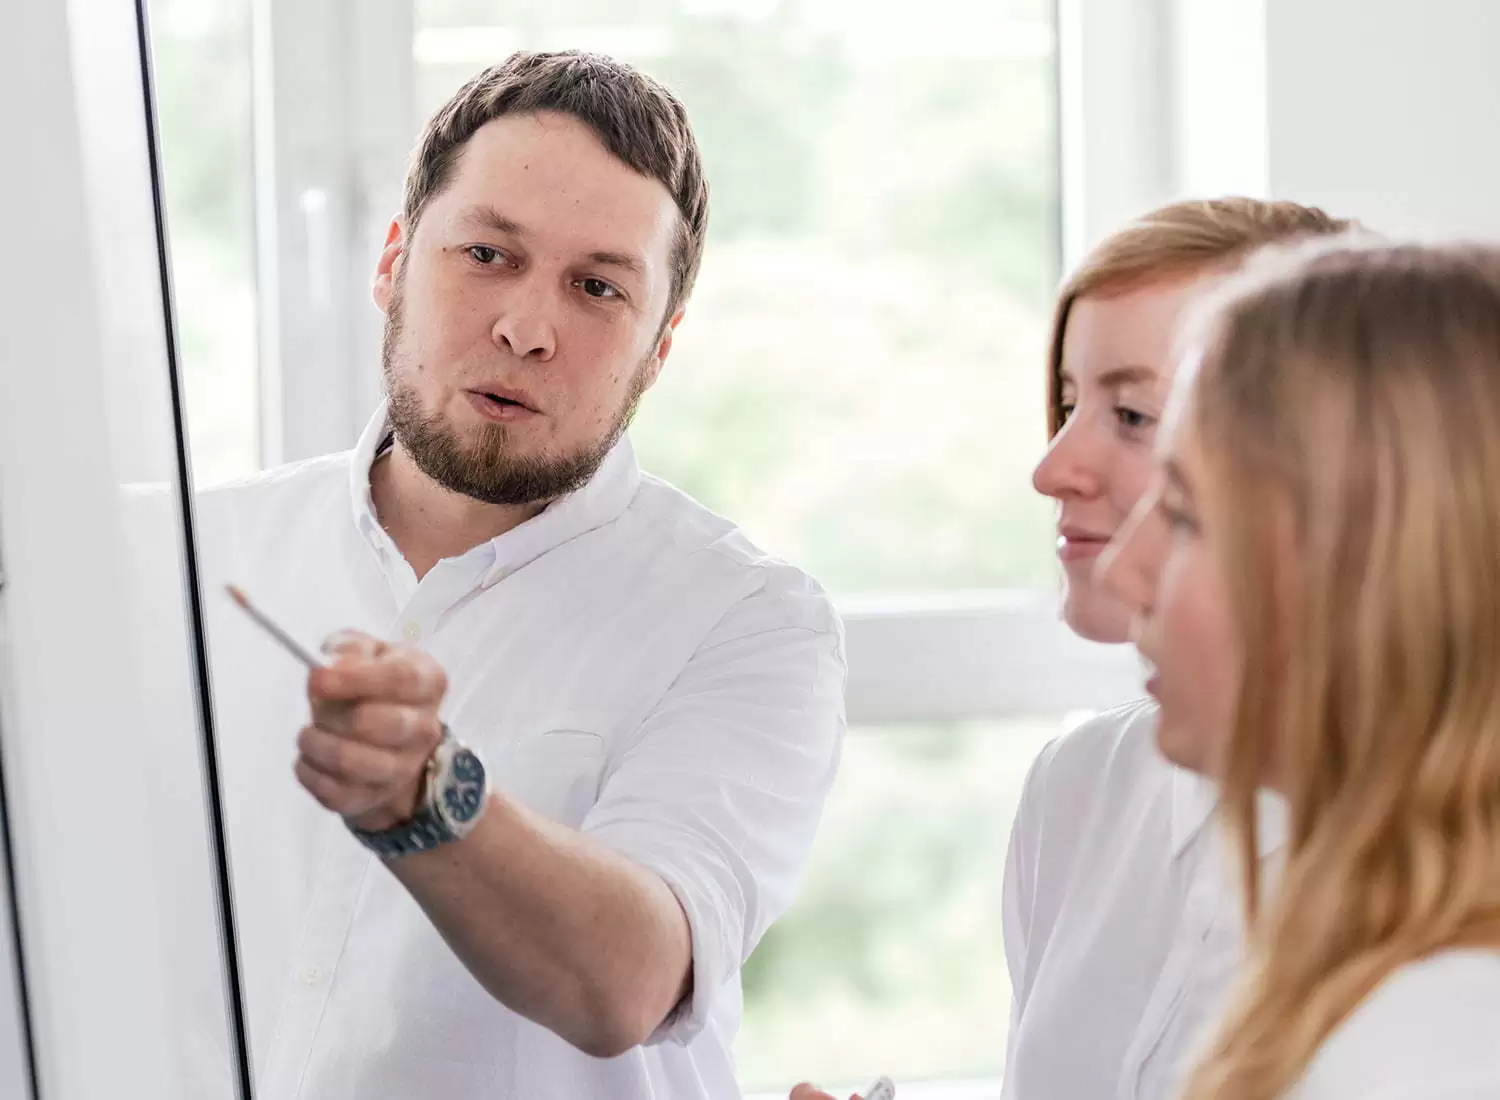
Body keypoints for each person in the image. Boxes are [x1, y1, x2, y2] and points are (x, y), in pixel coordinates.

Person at [191, 50, 845, 1100]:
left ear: (659, 346)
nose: (527, 329)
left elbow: (629, 979)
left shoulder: (750, 621)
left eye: (597, 287)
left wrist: (428, 797)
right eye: (489, 253)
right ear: (392, 260)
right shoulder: (194, 553)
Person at [791, 198, 1350, 1100]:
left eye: (1132, 413)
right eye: (1065, 403)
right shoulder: (1078, 791)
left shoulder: (1436, 859)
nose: (1052, 466)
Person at [1099, 238, 1500, 1099]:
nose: (1121, 572)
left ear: (1375, 575)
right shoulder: (1386, 994)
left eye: (1183, 515)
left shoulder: (1415, 1048)